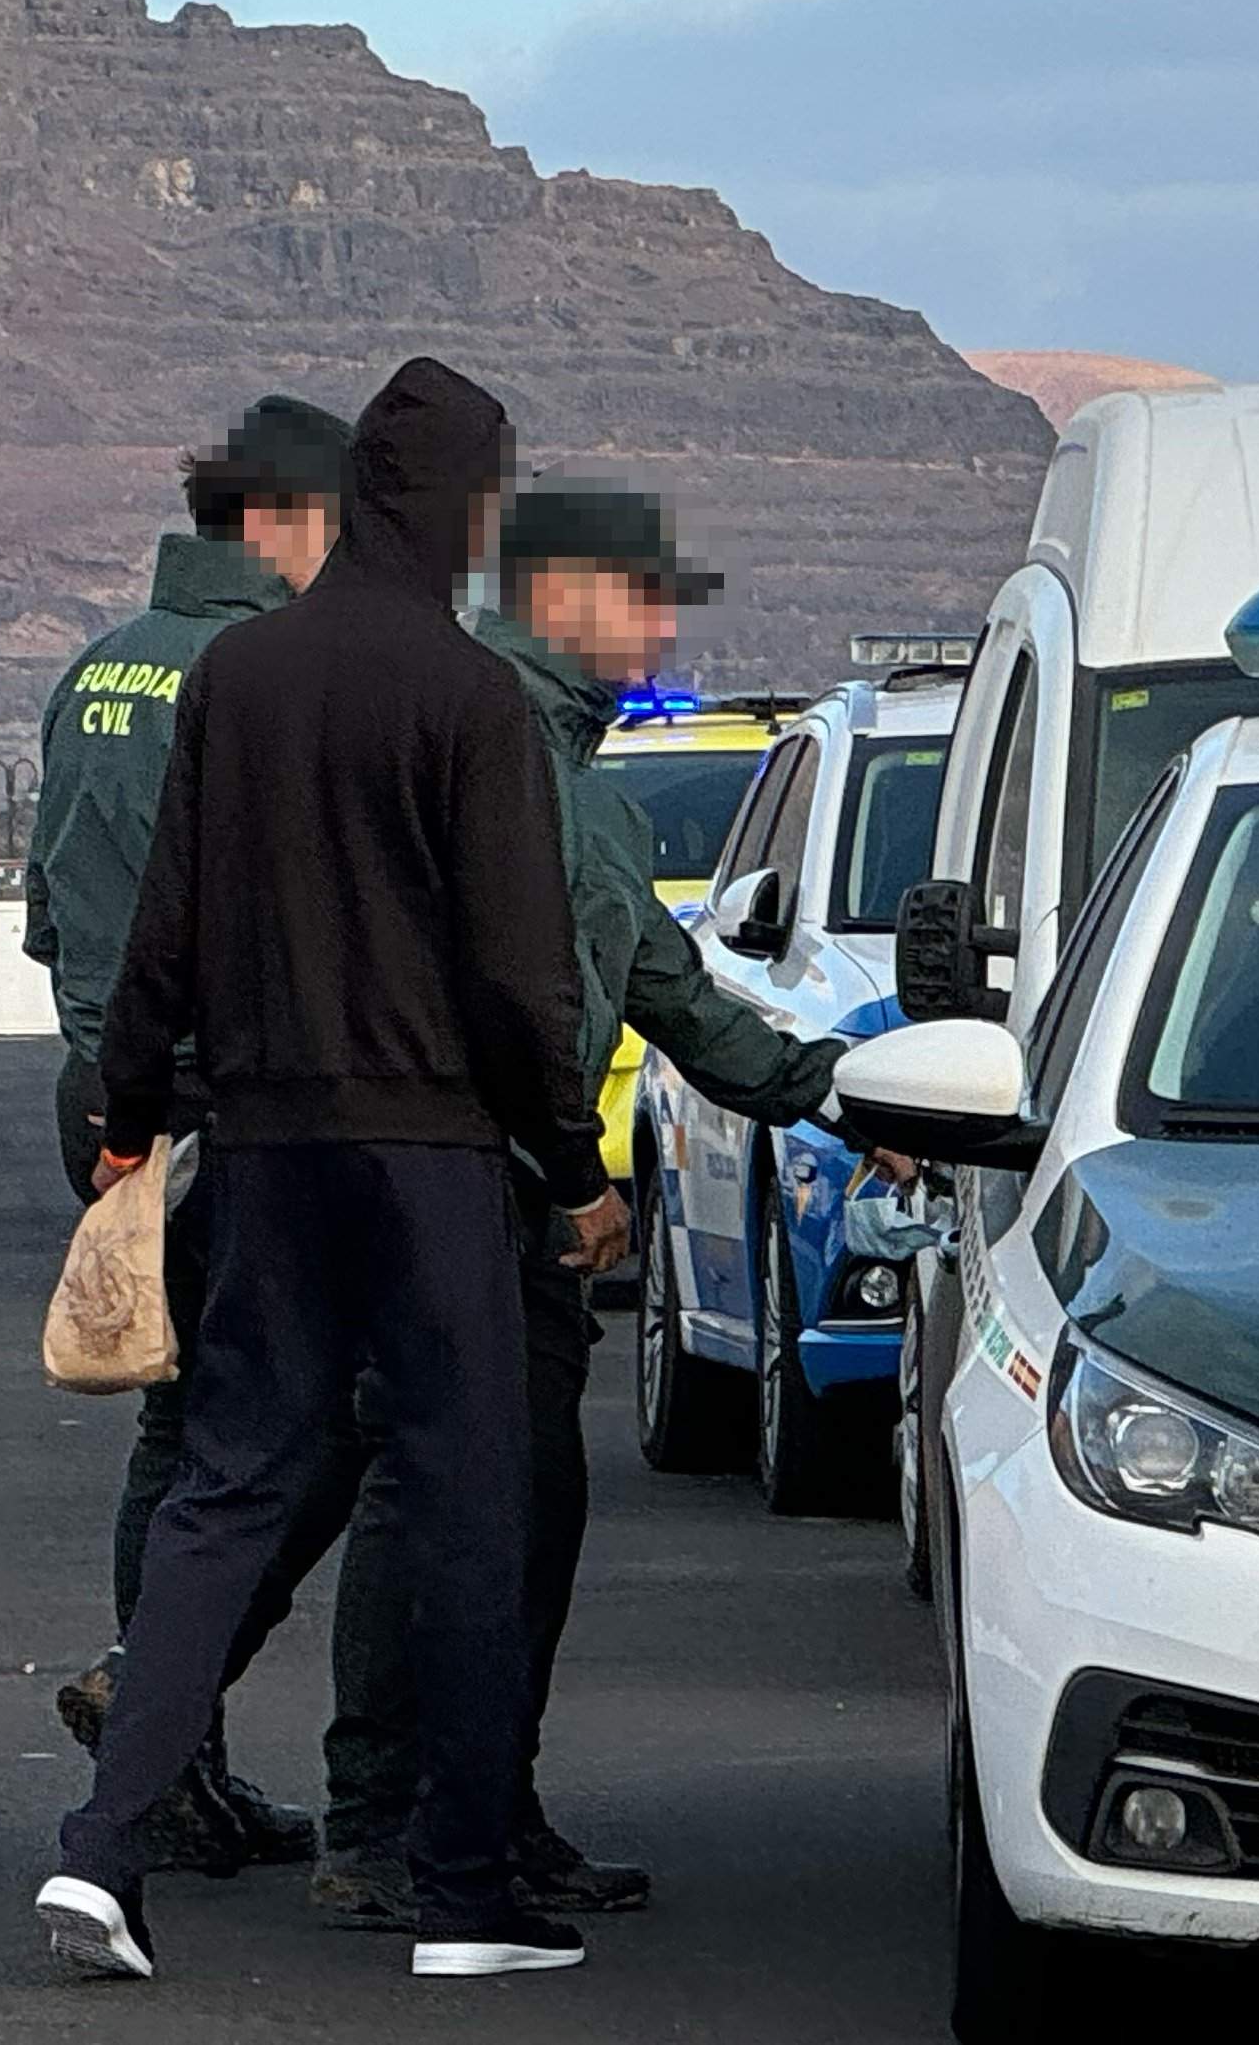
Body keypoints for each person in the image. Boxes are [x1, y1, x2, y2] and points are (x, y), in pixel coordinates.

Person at [35, 357, 615, 1984]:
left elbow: (165, 929)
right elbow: (520, 979)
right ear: (465, 509)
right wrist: (570, 1165)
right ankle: (465, 1893)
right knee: (465, 1509)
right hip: (431, 1162)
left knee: (226, 1492)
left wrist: (132, 1115)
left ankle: (101, 1852)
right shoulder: (471, 697)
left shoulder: (241, 681)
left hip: (271, 1150)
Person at [312, 484, 861, 1926]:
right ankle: (379, 1822)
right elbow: (502, 1003)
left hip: (510, 1200)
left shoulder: (584, 794)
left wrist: (841, 1097)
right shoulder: (480, 754)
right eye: (641, 602)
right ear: (563, 603)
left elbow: (669, 995)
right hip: (446, 1190)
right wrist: (571, 1169)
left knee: (521, 1514)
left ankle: (486, 1804)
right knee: (424, 1503)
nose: (661, 631)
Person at [22, 391, 359, 1879]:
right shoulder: (251, 670)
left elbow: (42, 906)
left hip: (102, 1095)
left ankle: (172, 1757)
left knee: (172, 1427)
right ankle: (159, 1728)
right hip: (222, 1105)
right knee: (262, 1439)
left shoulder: (93, 669)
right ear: (281, 521)